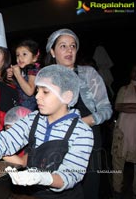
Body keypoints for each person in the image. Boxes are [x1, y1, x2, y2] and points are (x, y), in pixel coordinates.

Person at [0, 65, 94, 198]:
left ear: (67, 96)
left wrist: (43, 178)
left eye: (45, 92)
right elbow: (6, 139)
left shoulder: (82, 132)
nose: (37, 96)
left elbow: (71, 174)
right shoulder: (33, 119)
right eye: (37, 90)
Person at [45, 28, 113, 199]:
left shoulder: (88, 74)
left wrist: (84, 122)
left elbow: (106, 109)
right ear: (52, 51)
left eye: (73, 46)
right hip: (58, 139)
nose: (69, 50)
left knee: (88, 186)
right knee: (61, 187)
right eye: (63, 46)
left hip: (89, 137)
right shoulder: (46, 78)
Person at [111, 63, 136, 199]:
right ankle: (117, 191)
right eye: (134, 70)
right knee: (118, 164)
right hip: (122, 133)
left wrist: (129, 106)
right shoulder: (124, 89)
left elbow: (125, 107)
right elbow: (118, 106)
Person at [9, 39, 41, 111]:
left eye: (24, 54)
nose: (20, 58)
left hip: (29, 111)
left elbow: (30, 91)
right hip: (19, 108)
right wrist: (10, 77)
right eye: (18, 55)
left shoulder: (33, 70)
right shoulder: (23, 70)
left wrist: (17, 75)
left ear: (34, 58)